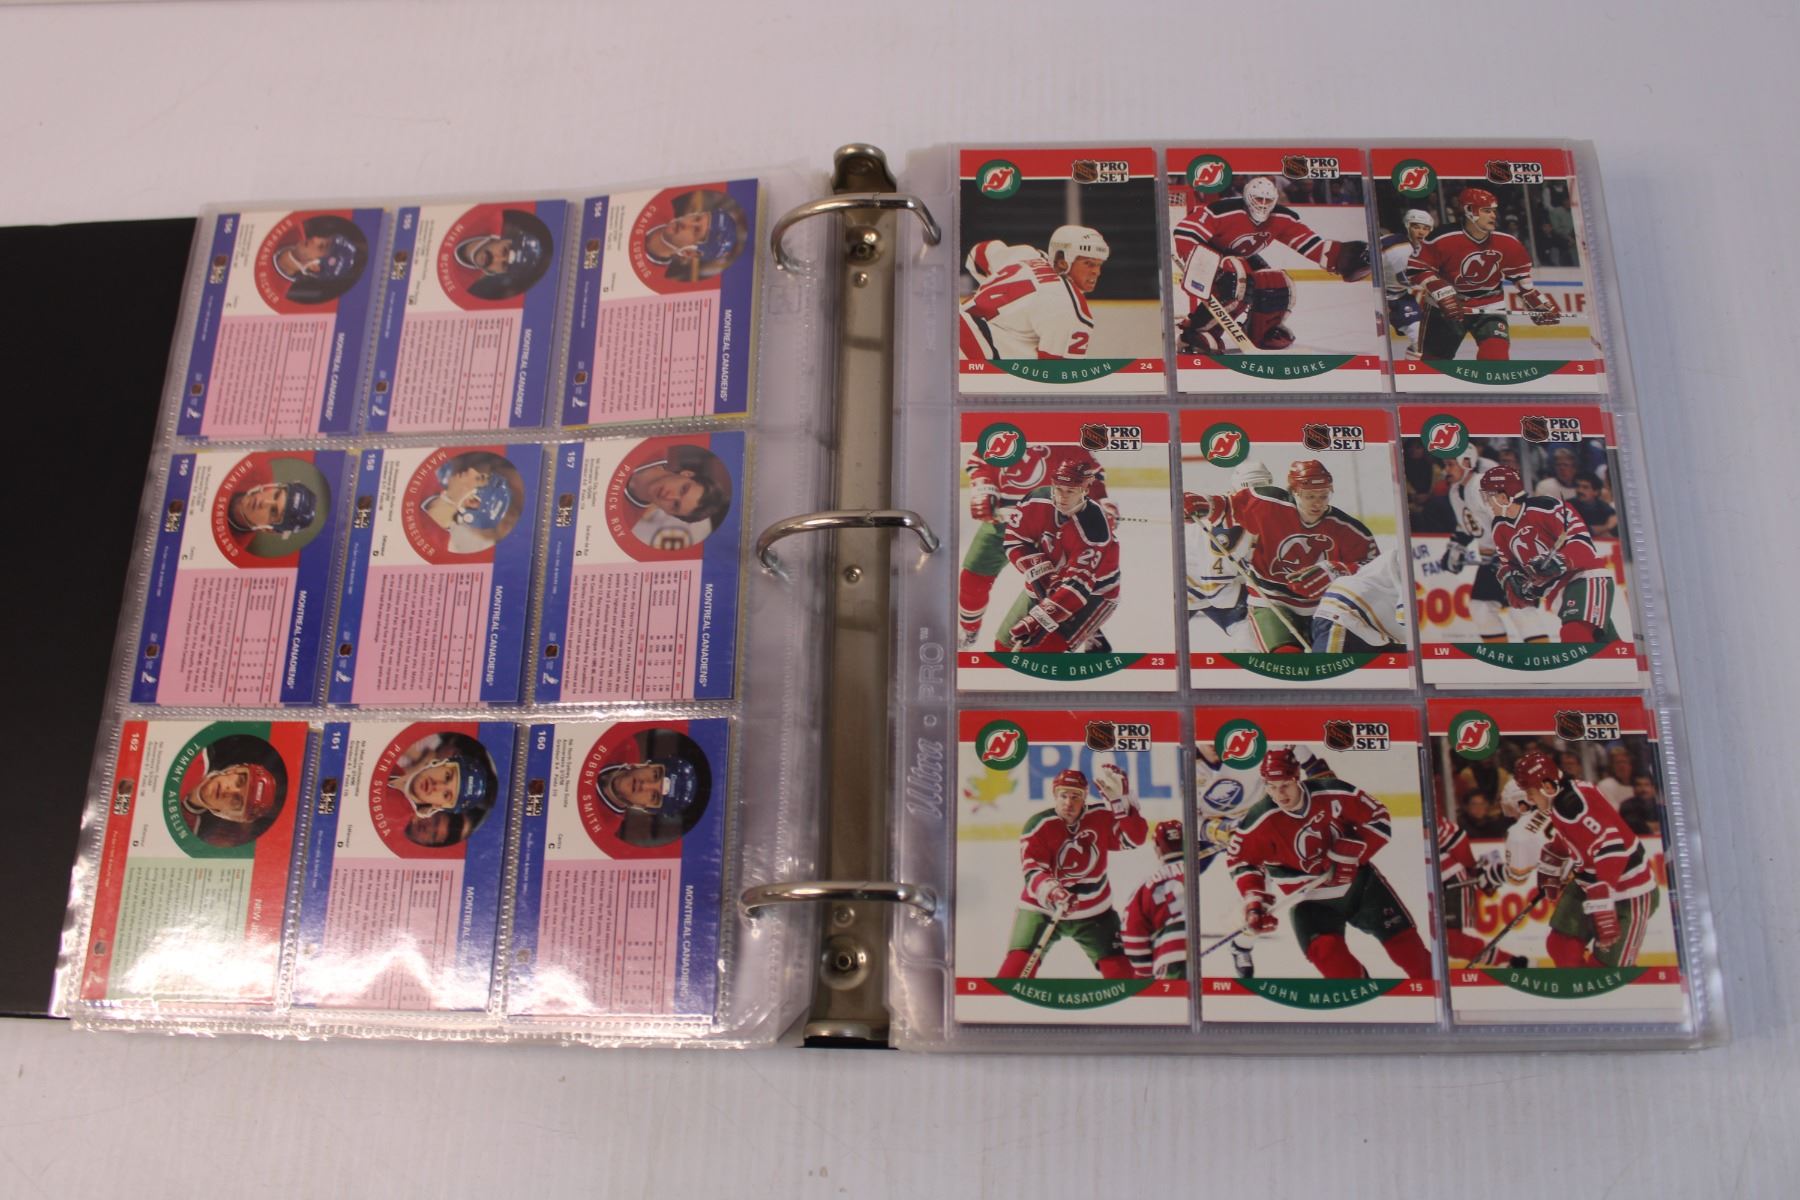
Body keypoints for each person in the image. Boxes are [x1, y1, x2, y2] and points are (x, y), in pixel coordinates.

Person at [1225, 748, 1433, 981]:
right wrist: (1255, 901)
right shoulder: (1260, 820)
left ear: (1297, 778)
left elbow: (1379, 817)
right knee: (1342, 976)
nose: (1279, 795)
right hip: (1311, 902)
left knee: (1415, 959)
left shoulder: (1331, 791)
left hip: (1361, 887)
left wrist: (1352, 856)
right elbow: (1241, 860)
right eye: (1271, 787)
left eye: (1285, 785)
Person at [1182, 459, 1378, 653]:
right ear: (1294, 492)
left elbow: (1376, 569)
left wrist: (1339, 570)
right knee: (1264, 649)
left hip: (1320, 606)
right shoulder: (1259, 510)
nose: (1317, 503)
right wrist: (1202, 502)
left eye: (1324, 495)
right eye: (1309, 496)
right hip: (1251, 597)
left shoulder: (1348, 529)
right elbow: (1224, 506)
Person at [1172, 176, 1371, 353]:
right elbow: (1186, 232)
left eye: (1267, 200)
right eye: (1258, 199)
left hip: (1239, 259)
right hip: (1209, 255)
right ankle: (1196, 331)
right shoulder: (1222, 210)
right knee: (1237, 279)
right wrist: (1204, 264)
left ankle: (1260, 331)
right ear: (1248, 197)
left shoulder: (1281, 218)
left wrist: (1344, 258)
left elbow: (1310, 244)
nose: (1263, 204)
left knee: (1275, 283)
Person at [1503, 751, 1662, 969]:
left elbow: (1613, 847)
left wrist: (1603, 899)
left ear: (1546, 786)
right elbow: (1578, 834)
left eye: (1530, 792)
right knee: (1561, 946)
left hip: (1629, 891)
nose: (1529, 799)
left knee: (1608, 972)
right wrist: (1555, 856)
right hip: (1590, 883)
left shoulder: (1574, 805)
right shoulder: (1560, 797)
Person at [1193, 741, 1334, 978]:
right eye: (1203, 737)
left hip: (1255, 826)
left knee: (1259, 904)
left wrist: (1325, 784)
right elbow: (1187, 818)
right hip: (1208, 831)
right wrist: (1220, 831)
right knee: (1173, 877)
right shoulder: (1186, 764)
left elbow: (1296, 746)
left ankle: (1241, 946)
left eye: (1214, 735)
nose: (1211, 742)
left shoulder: (1248, 745)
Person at [959, 433, 1112, 649]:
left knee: (1054, 586)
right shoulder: (1002, 429)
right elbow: (980, 462)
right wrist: (983, 488)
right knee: (972, 579)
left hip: (1050, 524)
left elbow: (1089, 472)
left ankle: (1086, 628)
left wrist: (1100, 503)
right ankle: (969, 629)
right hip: (1001, 521)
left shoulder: (1061, 432)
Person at [996, 765, 1146, 979]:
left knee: (1123, 979)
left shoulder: (1100, 817)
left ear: (1084, 798)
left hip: (1096, 913)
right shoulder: (1039, 826)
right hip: (1042, 911)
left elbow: (1135, 839)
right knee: (1013, 975)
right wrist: (1054, 892)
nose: (1069, 802)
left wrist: (1121, 805)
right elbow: (1033, 870)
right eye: (1063, 795)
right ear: (1055, 796)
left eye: (1075, 796)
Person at [1406, 186, 1560, 360]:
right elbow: (1416, 268)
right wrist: (1441, 291)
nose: (1493, 215)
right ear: (1469, 210)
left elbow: (1520, 276)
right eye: (1487, 211)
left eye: (1494, 211)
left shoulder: (1507, 242)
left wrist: (1534, 299)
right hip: (1446, 309)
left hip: (1490, 307)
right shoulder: (1441, 238)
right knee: (1433, 365)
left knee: (1495, 359)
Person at [995, 450, 1119, 653]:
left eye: (1070, 491)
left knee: (1036, 658)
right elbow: (1014, 539)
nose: (1061, 497)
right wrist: (1041, 571)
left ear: (1085, 489)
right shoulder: (1036, 499)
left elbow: (1078, 587)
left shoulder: (1094, 529)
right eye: (1058, 488)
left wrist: (1038, 619)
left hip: (1092, 592)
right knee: (1002, 649)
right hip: (1048, 582)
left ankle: (1089, 625)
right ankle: (1086, 629)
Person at [1479, 464, 1618, 645]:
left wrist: (1560, 560)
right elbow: (1508, 565)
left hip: (1585, 578)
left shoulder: (1548, 507)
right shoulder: (1499, 528)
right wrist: (1513, 583)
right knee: (1608, 647)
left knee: (1574, 635)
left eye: (1488, 496)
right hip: (1556, 593)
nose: (1486, 503)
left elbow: (1583, 545)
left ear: (1503, 497)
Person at [1435, 446, 1544, 645]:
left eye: (1450, 464)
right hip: (1492, 560)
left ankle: (1542, 656)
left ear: (1467, 463)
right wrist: (1456, 547)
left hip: (1515, 556)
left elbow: (1511, 519)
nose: (1445, 470)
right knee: (1481, 607)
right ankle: (1502, 657)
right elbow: (1468, 526)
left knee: (1521, 609)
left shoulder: (1483, 485)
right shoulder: (1455, 491)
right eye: (1445, 465)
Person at [957, 225, 1110, 361]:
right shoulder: (1070, 310)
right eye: (1088, 263)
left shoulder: (1027, 255)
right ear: (1063, 262)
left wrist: (991, 286)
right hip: (966, 357)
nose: (1097, 272)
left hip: (952, 323)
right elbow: (1057, 376)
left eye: (1099, 264)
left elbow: (978, 253)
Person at [1185, 460, 1269, 649]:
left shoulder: (1265, 514)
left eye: (1263, 490)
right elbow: (1218, 593)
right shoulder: (1229, 529)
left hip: (1219, 583)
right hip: (1192, 590)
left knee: (1253, 637)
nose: (1259, 499)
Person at [1436, 811, 1522, 967]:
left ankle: (1511, 963)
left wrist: (1472, 869)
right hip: (1432, 885)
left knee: (1449, 941)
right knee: (1441, 940)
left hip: (1449, 881)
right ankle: (1510, 962)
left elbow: (1456, 836)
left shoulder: (1427, 816)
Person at [176, 734, 287, 849]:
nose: (229, 791)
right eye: (239, 781)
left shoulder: (190, 835)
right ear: (234, 770)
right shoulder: (195, 753)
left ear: (229, 815)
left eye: (237, 800)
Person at [624, 444, 731, 546]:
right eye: (683, 490)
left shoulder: (625, 522)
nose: (669, 496)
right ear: (687, 474)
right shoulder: (652, 445)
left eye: (675, 505)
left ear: (669, 513)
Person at [1122, 819, 1187, 980]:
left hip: (1171, 954)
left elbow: (1133, 931)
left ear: (1157, 848)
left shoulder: (1146, 885)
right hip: (1211, 950)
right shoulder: (1203, 871)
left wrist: (1144, 971)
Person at [1311, 548, 1408, 654]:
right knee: (1330, 665)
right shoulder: (1416, 556)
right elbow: (1408, 616)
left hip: (1383, 634)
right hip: (1351, 617)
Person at [388, 734, 497, 820]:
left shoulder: (398, 818)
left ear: (439, 806)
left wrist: (419, 764)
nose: (437, 786)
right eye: (447, 776)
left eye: (446, 795)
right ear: (442, 763)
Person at [419, 451, 514, 549]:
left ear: (472, 502)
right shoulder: (428, 480)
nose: (470, 470)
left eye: (479, 478)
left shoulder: (434, 547)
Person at [455, 208, 554, 301]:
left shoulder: (461, 285)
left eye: (504, 265)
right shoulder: (487, 214)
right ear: (506, 240)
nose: (495, 259)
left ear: (500, 273)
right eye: (504, 251)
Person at [643, 191, 742, 280]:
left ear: (690, 253)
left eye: (696, 230)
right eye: (697, 218)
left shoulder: (651, 278)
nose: (687, 224)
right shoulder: (660, 204)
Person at [273, 214, 366, 304]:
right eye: (323, 238)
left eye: (321, 247)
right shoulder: (292, 228)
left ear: (314, 267)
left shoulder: (277, 291)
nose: (315, 238)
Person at [1380, 209, 1436, 358]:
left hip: (1399, 297)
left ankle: (1410, 370)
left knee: (1421, 340)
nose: (1421, 232)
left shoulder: (1429, 249)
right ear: (1407, 226)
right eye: (1416, 227)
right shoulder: (1394, 246)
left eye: (1426, 228)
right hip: (1374, 298)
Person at [225, 480, 318, 539]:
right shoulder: (255, 471)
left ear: (268, 530)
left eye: (273, 511)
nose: (264, 502)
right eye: (276, 495)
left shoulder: (233, 546)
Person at [1570, 471, 1618, 536]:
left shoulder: (1604, 508)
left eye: (1585, 487)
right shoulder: (1568, 506)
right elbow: (1577, 531)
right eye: (1578, 486)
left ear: (1596, 492)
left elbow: (1614, 528)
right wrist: (1606, 527)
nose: (1580, 490)